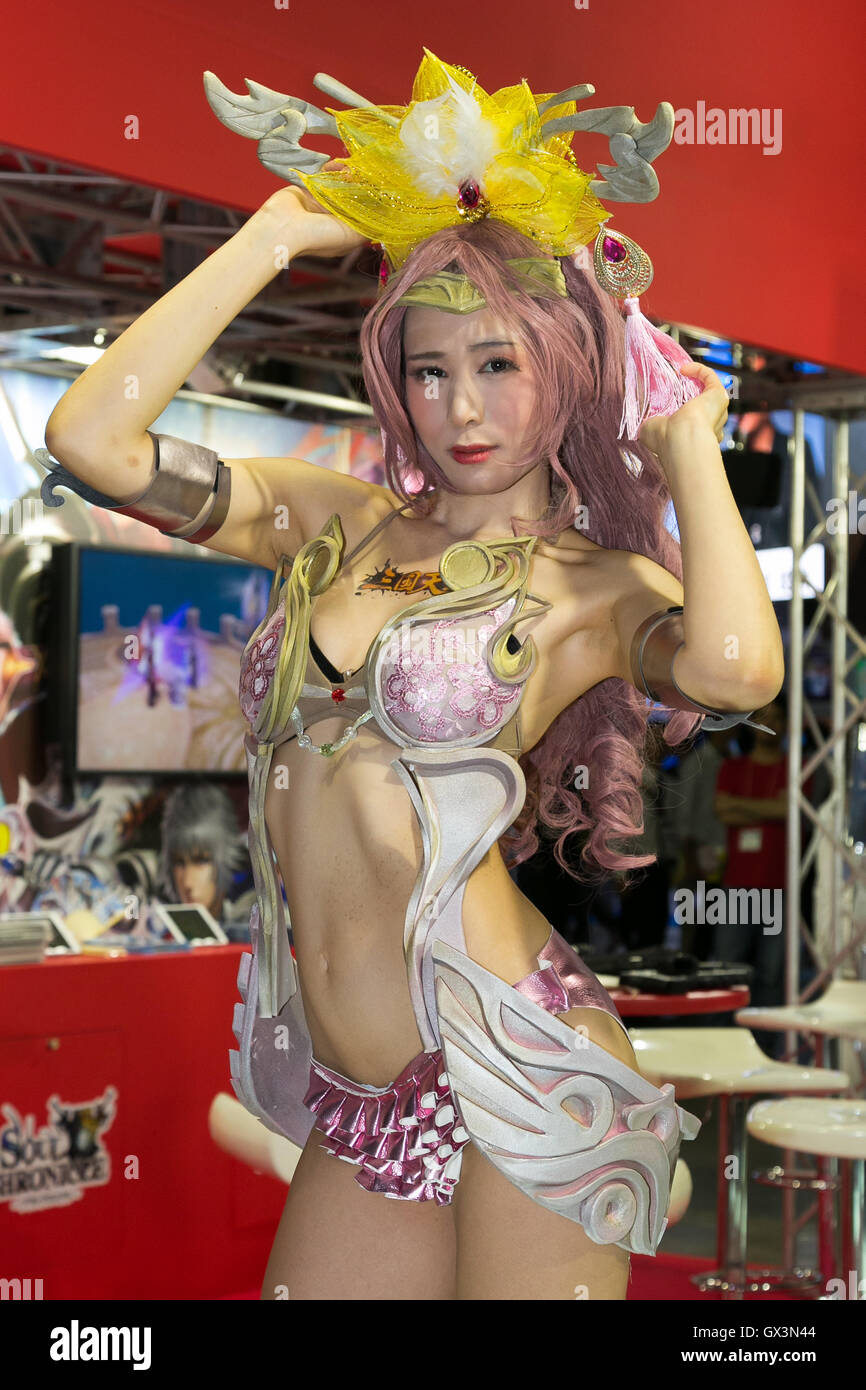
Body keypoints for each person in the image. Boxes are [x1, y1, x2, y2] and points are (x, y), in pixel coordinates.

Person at [40, 52, 784, 1300]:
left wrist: (685, 448)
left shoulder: (584, 584)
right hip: (366, 1095)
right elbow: (91, 442)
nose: (458, 408)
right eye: (428, 371)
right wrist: (272, 236)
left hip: (521, 1060)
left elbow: (734, 668)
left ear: (564, 366)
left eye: (496, 363)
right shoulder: (330, 522)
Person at [712, 694, 789, 1052]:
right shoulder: (733, 767)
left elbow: (789, 811)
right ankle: (725, 1047)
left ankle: (766, 1048)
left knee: (772, 974)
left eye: (776, 717)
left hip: (780, 886)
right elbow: (722, 811)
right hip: (736, 886)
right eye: (762, 717)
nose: (768, 724)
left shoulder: (796, 767)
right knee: (728, 970)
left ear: (787, 724)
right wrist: (771, 810)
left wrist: (743, 808)